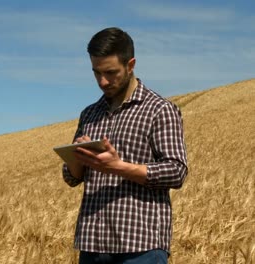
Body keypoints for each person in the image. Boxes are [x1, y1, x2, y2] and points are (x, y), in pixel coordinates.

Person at [62, 27, 188, 264]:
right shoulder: (89, 114)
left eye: (111, 72)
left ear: (131, 65)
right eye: (96, 73)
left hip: (140, 247)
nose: (102, 81)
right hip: (92, 243)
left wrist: (118, 167)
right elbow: (71, 178)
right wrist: (77, 157)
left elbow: (176, 171)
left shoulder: (159, 110)